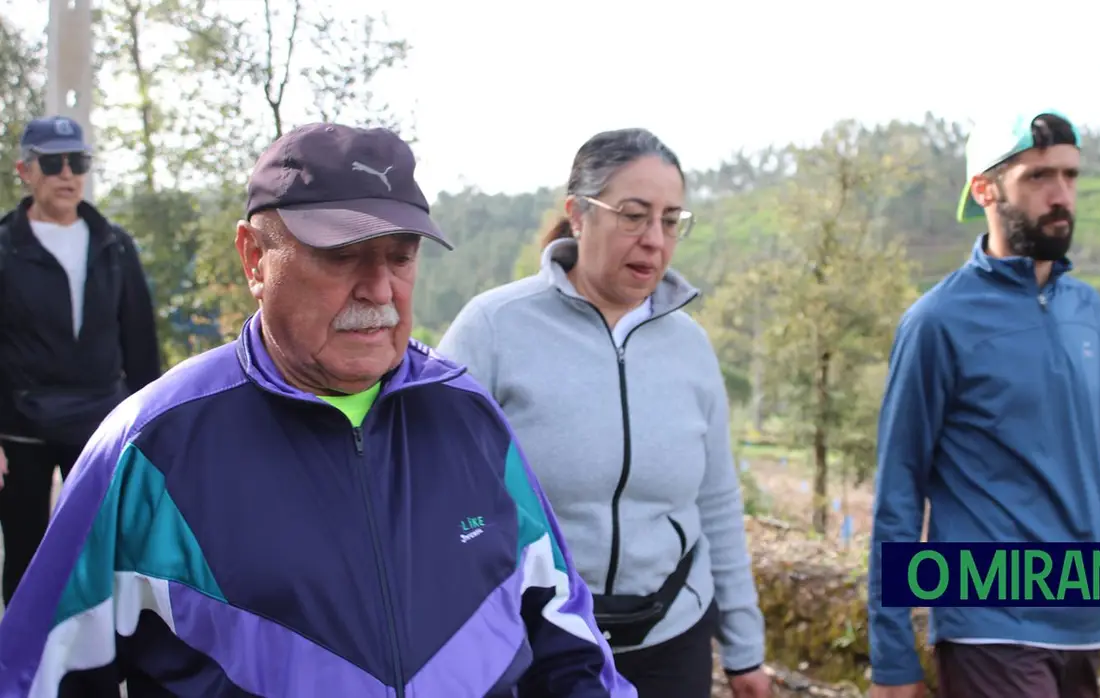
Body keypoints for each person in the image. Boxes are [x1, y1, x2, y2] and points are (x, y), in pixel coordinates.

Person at [0, 123, 635, 698]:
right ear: (255, 258)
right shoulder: (149, 447)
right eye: (340, 254)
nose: (379, 289)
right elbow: (37, 675)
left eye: (401, 255)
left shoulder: (471, 418)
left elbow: (569, 645)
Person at [866, 109, 1100, 698]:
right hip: (988, 623)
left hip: (1085, 619)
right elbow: (898, 491)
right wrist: (891, 655)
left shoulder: (1088, 313)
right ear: (985, 189)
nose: (1061, 195)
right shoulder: (937, 323)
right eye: (1039, 178)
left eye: (1070, 176)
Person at [437, 127, 771, 698]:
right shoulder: (492, 328)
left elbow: (716, 501)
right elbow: (431, 489)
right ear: (578, 214)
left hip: (672, 640)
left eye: (670, 220)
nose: (654, 241)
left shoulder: (691, 348)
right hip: (531, 643)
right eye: (633, 215)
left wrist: (745, 650)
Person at [0, 115, 162, 606]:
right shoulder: (4, 247)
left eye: (78, 162)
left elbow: (139, 342)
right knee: (26, 559)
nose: (67, 174)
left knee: (100, 557)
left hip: (99, 425)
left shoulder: (114, 244)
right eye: (53, 163)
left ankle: (93, 676)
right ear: (25, 170)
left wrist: (150, 430)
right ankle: (24, 673)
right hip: (19, 428)